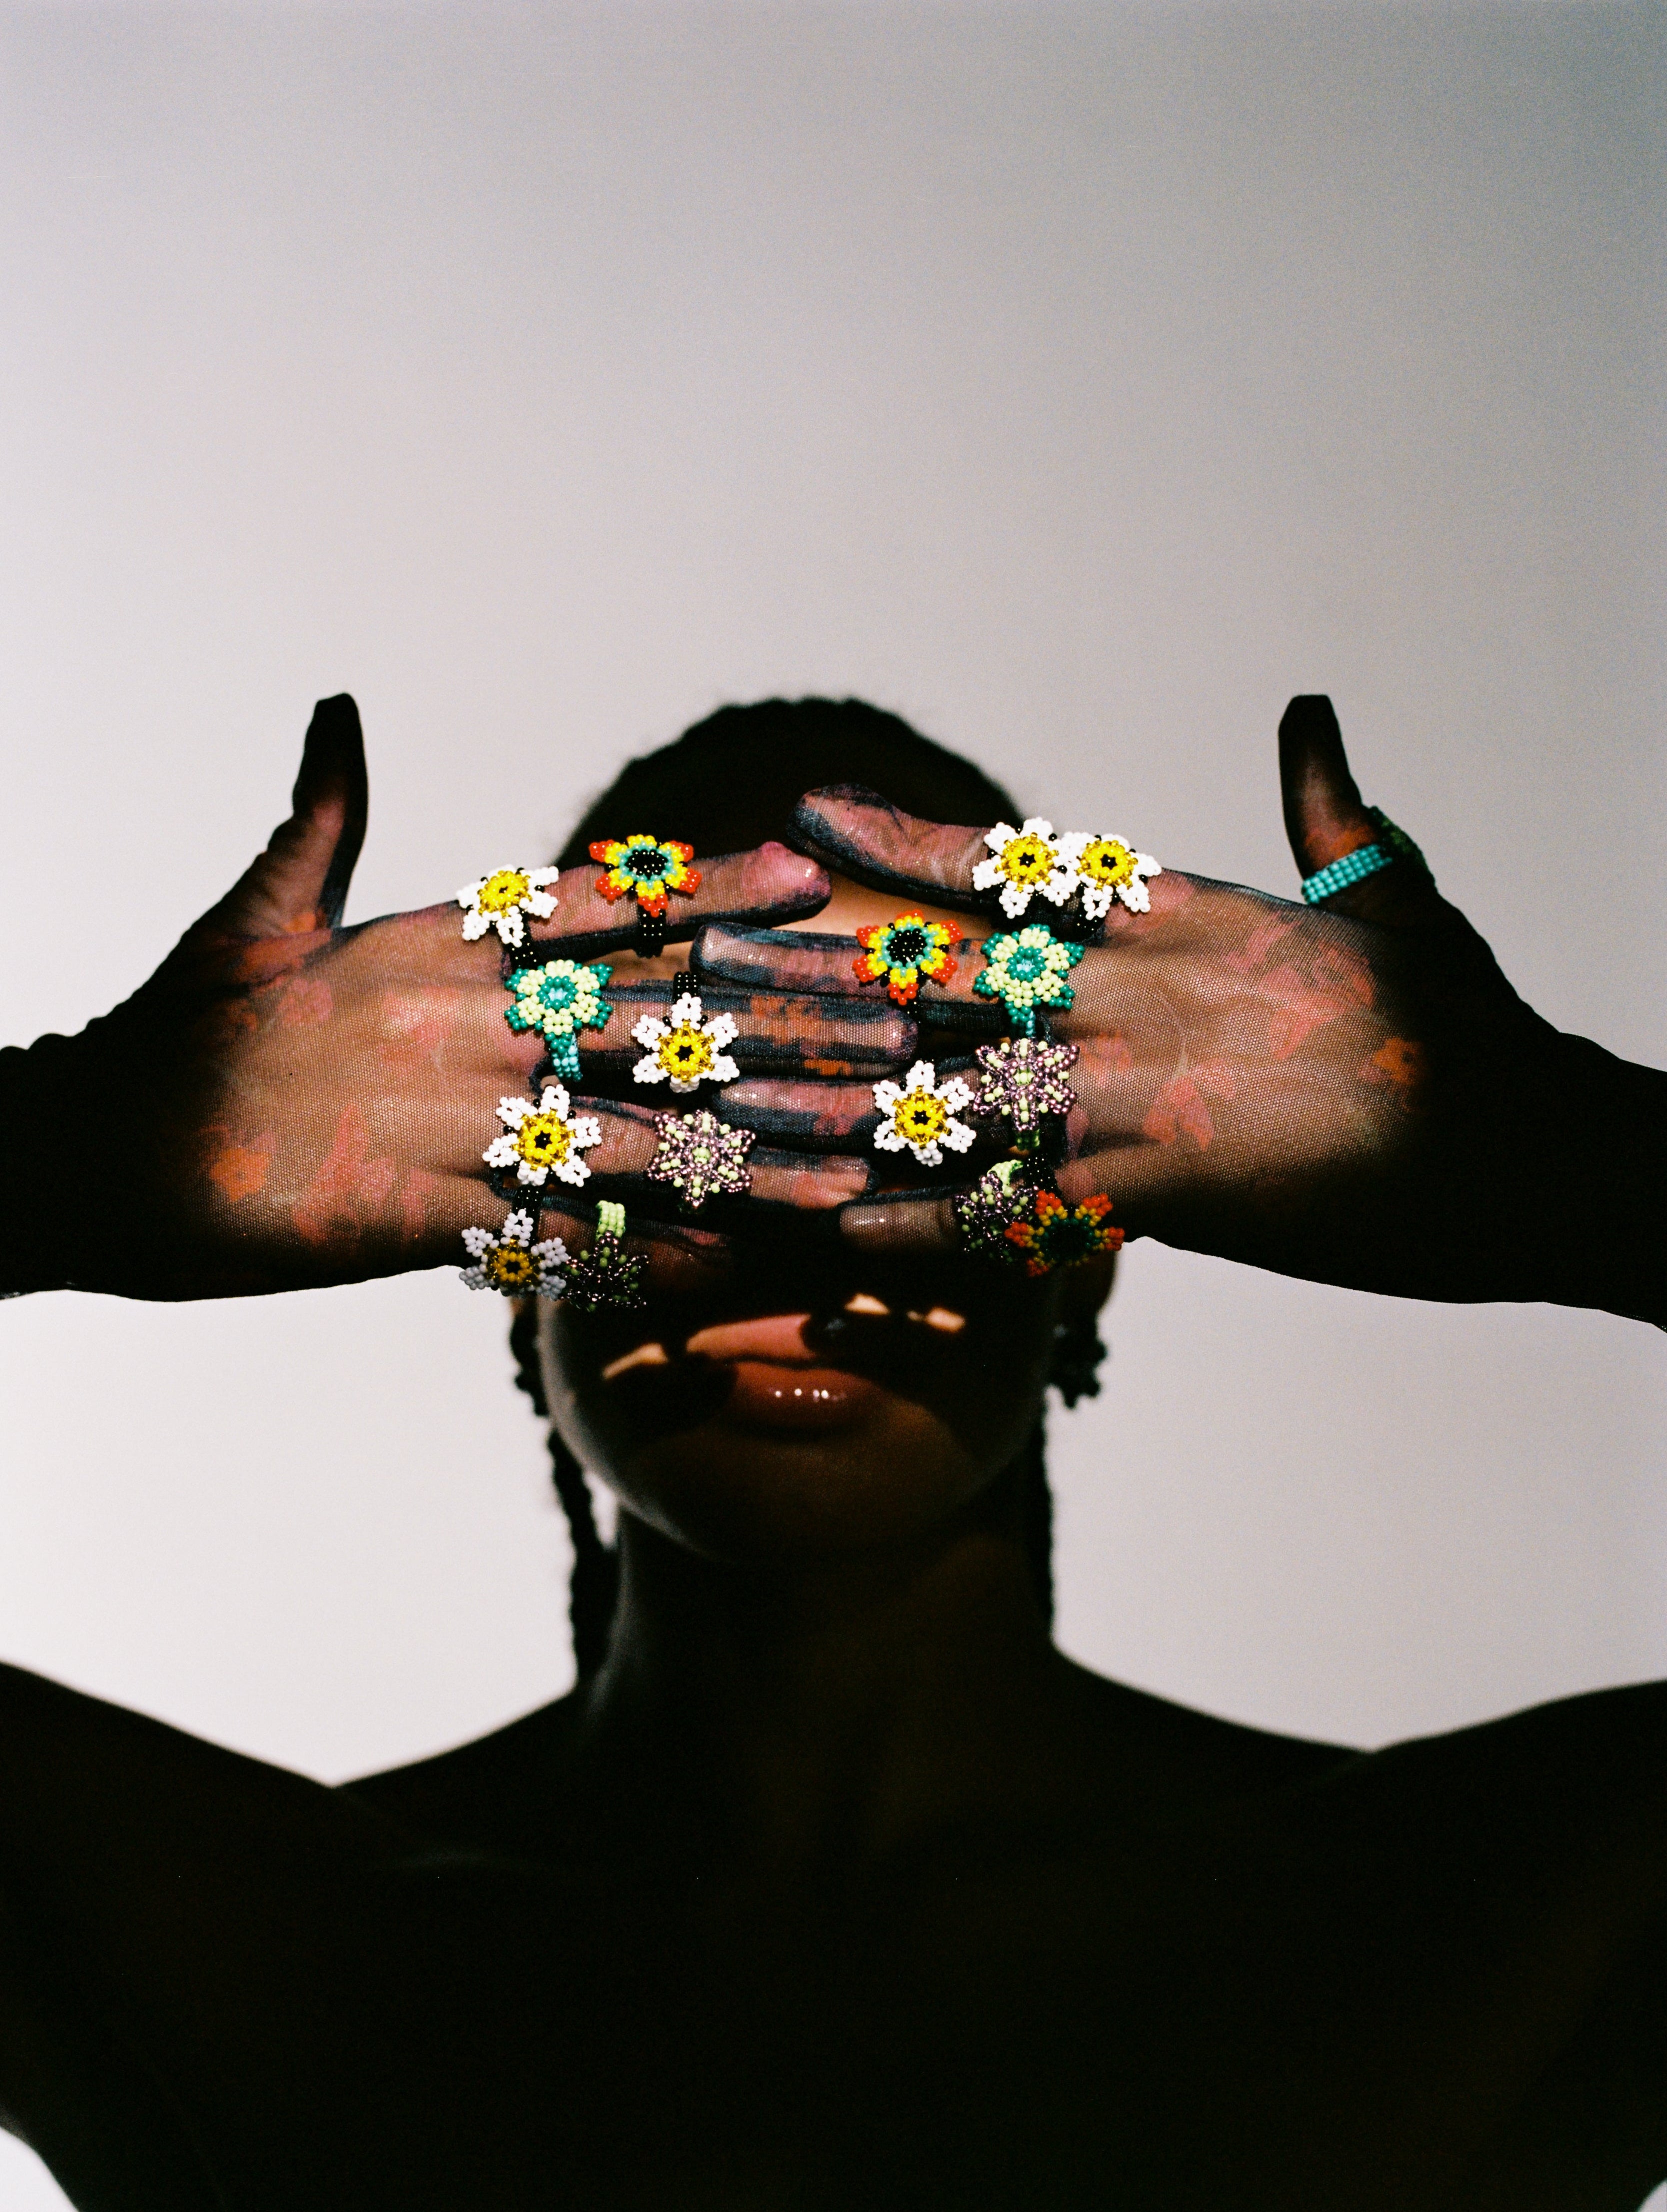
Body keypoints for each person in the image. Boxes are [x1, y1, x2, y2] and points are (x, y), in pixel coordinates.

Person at [0, 691, 1661, 2210]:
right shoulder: (222, 1940)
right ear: (508, 1249)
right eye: (665, 1109)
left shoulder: (1497, 1910)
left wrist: (1586, 1168)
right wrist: (69, 1148)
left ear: (1090, 1241)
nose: (801, 1223)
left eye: (915, 1099)